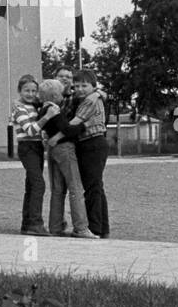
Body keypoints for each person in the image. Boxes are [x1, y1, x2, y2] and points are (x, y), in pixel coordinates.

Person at [36, 79, 95, 238]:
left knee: (57, 189)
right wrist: (85, 125)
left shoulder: (43, 109)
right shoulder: (54, 110)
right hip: (65, 149)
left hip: (53, 150)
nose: (63, 96)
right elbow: (68, 130)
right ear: (55, 95)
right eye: (61, 93)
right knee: (75, 187)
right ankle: (81, 227)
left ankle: (55, 227)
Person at [60, 70, 109, 238]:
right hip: (91, 143)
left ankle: (95, 227)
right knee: (96, 186)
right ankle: (102, 227)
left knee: (92, 187)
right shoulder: (92, 97)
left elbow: (74, 124)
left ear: (93, 86)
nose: (80, 89)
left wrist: (56, 135)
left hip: (92, 143)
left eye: (84, 85)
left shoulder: (90, 100)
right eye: (77, 86)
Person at [12, 75, 50, 236]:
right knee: (38, 184)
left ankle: (27, 224)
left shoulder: (34, 106)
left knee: (31, 185)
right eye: (27, 90)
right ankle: (35, 223)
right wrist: (47, 117)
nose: (31, 94)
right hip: (27, 146)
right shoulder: (20, 109)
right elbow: (30, 130)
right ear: (19, 91)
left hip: (37, 146)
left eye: (34, 91)